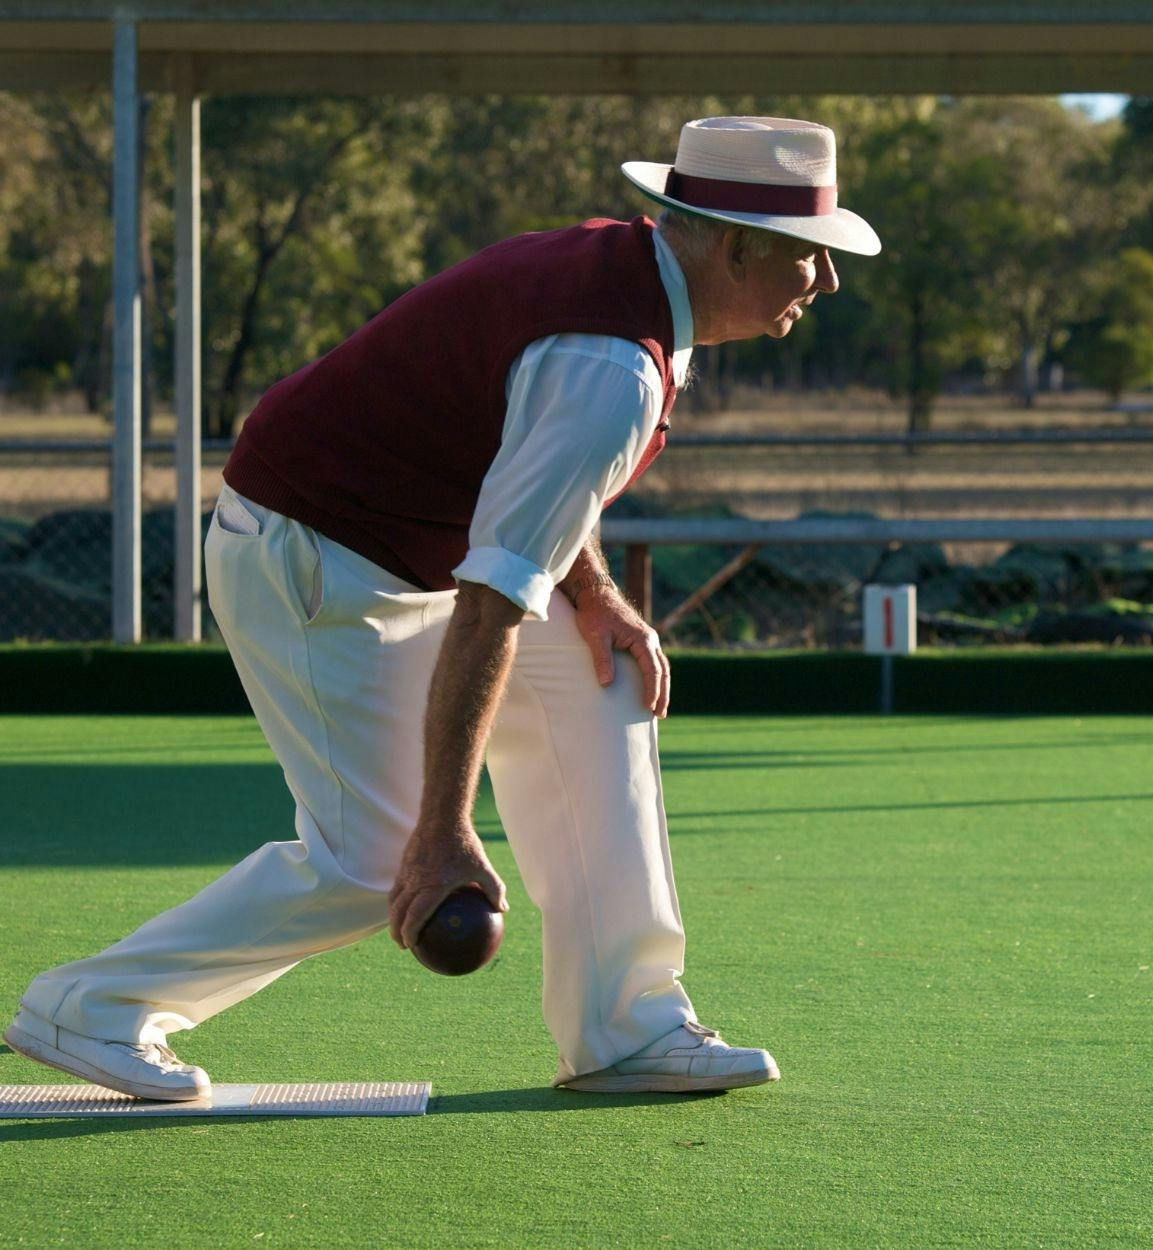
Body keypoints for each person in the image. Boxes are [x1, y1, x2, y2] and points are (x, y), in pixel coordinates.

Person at [6, 116, 880, 1099]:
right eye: (813, 256)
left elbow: (527, 475)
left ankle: (626, 1023)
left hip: (415, 548)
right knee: (374, 858)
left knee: (604, 678)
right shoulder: (611, 361)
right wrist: (445, 826)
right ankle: (91, 1006)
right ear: (734, 246)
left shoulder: (639, 285)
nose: (829, 282)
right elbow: (492, 604)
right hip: (312, 552)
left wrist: (591, 594)